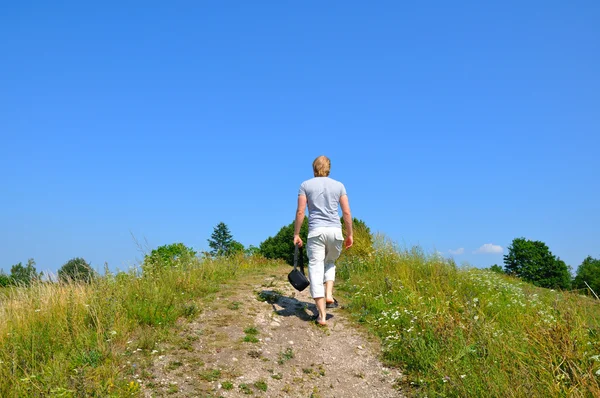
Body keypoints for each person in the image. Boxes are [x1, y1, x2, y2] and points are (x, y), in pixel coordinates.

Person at [293, 155, 353, 326]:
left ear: (314, 168)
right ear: (329, 168)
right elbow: (346, 213)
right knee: (330, 262)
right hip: (335, 232)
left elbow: (300, 212)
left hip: (316, 232)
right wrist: (350, 234)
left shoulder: (305, 185)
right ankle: (329, 294)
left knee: (316, 269)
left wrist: (297, 234)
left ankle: (322, 316)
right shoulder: (339, 186)